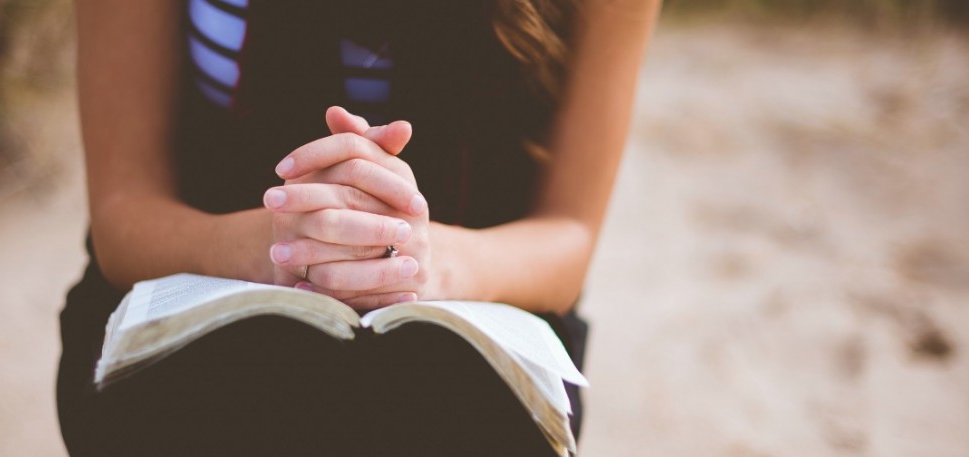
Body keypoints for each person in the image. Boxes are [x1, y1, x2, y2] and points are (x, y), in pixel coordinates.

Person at [56, 0, 659, 455]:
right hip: (199, 268)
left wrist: (419, 261)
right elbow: (123, 212)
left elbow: (569, 233)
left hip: (480, 292)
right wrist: (280, 247)